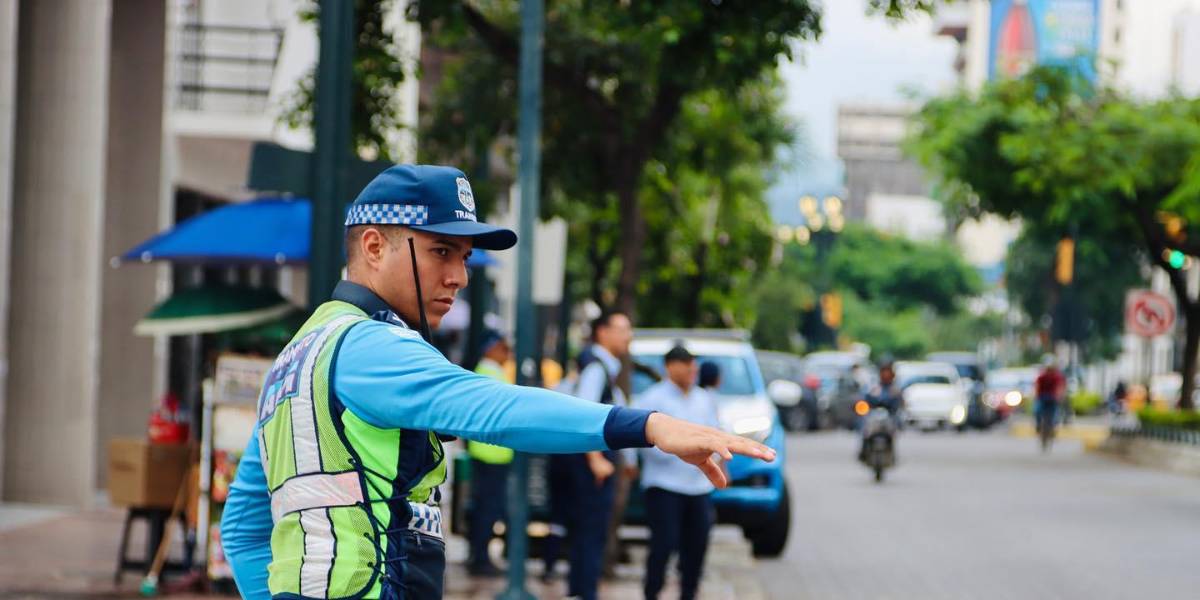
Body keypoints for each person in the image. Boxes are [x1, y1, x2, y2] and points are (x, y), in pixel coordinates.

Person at [217, 164, 776, 600]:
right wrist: (651, 426)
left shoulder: (298, 354)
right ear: (372, 246)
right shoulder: (371, 346)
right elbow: (493, 409)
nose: (459, 276)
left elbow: (242, 526)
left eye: (463, 255)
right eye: (440, 251)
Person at [547, 311, 635, 600]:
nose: (627, 336)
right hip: (591, 465)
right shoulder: (596, 369)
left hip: (588, 463)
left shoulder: (599, 367)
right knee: (590, 531)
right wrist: (596, 460)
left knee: (588, 531)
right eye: (622, 329)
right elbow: (584, 415)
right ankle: (584, 592)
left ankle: (581, 590)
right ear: (602, 333)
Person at [634, 345, 721, 600]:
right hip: (664, 485)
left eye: (694, 365)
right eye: (686, 364)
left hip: (698, 487)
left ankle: (688, 593)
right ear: (670, 366)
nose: (692, 370)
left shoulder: (704, 399)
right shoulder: (652, 399)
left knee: (697, 546)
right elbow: (644, 443)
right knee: (663, 544)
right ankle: (652, 592)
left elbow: (714, 436)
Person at [466, 330, 514, 576]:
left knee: (487, 508)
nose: (508, 354)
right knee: (488, 509)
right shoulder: (490, 372)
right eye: (504, 348)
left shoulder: (488, 371)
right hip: (491, 455)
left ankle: (479, 556)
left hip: (490, 454)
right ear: (491, 348)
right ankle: (480, 560)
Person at [859, 361, 902, 459]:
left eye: (887, 372)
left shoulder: (894, 388)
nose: (885, 374)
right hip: (875, 415)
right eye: (884, 372)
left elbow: (899, 403)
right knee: (864, 429)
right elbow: (865, 398)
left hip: (889, 415)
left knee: (894, 429)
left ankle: (892, 454)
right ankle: (863, 452)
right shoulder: (874, 386)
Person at [1035, 355, 1066, 434]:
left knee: (1055, 413)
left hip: (1053, 397)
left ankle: (1053, 427)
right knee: (1037, 411)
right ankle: (1038, 425)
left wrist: (1059, 396)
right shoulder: (1041, 376)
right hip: (1042, 397)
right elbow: (1037, 386)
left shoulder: (1057, 376)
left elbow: (1060, 387)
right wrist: (1036, 396)